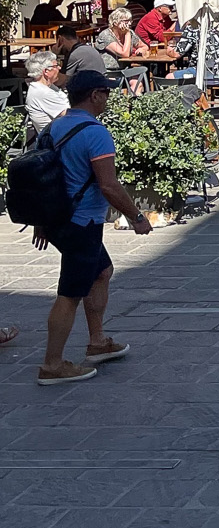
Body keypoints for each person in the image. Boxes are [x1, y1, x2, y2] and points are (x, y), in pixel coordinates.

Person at [34, 69, 151, 388]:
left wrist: (42, 221)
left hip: (60, 219)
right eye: (107, 92)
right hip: (81, 221)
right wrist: (136, 217)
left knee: (102, 271)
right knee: (70, 293)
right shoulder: (95, 132)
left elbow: (43, 175)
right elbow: (109, 186)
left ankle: (97, 342)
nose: (109, 98)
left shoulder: (56, 126)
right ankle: (52, 365)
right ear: (95, 95)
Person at [24, 52, 69, 134]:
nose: (59, 68)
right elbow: (71, 115)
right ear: (46, 71)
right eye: (56, 66)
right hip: (59, 140)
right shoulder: (42, 92)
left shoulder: (46, 87)